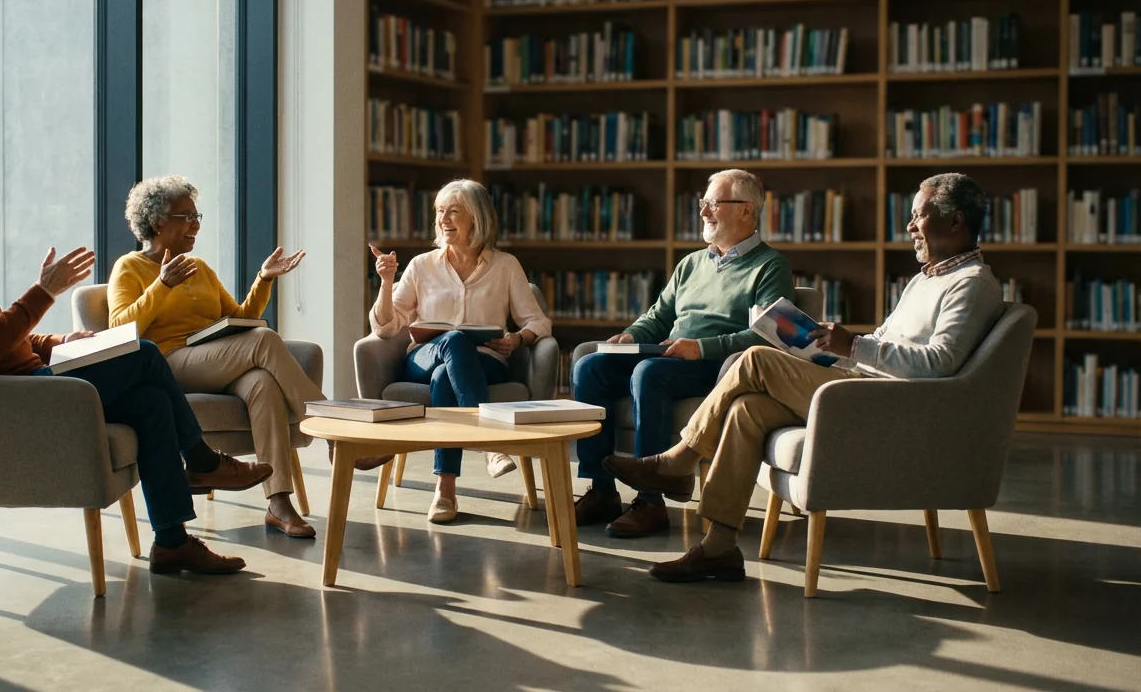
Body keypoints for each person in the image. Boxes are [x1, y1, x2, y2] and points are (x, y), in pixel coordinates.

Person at [607, 172, 1004, 583]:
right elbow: (888, 342)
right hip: (862, 386)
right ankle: (719, 548)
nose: (908, 227)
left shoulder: (972, 285)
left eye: (918, 215)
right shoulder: (927, 279)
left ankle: (679, 459)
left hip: (890, 405)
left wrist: (854, 347)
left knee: (756, 358)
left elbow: (938, 363)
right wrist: (834, 347)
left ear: (954, 222)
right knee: (749, 409)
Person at [0, 155, 269, 575]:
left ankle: (172, 541)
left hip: (26, 382)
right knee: (143, 353)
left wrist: (61, 341)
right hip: (16, 399)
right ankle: (201, 460)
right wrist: (43, 292)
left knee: (150, 404)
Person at [571, 169, 794, 538]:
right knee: (590, 367)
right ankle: (602, 490)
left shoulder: (771, 266)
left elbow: (767, 338)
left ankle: (650, 501)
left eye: (713, 204)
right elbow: (659, 316)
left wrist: (700, 348)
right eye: (703, 203)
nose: (704, 212)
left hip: (716, 367)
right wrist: (630, 336)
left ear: (746, 211)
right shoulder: (691, 263)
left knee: (649, 373)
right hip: (669, 355)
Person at [107, 175, 334, 539]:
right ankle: (335, 430)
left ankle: (278, 503)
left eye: (197, 215)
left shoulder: (201, 268)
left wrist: (263, 278)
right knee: (263, 341)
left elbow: (241, 316)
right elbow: (118, 327)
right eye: (185, 216)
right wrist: (161, 286)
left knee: (262, 383)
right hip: (168, 362)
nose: (195, 224)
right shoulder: (130, 267)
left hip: (213, 360)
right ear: (156, 222)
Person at [369, 179, 552, 523]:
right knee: (451, 342)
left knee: (445, 378)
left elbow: (539, 322)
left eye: (454, 211)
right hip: (423, 356)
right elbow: (384, 327)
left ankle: (445, 490)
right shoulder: (422, 265)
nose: (444, 219)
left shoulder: (506, 266)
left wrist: (517, 340)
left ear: (477, 219)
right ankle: (490, 444)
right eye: (439, 211)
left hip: (486, 361)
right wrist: (386, 282)